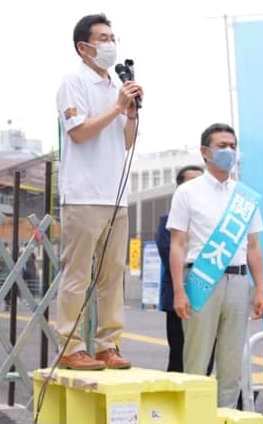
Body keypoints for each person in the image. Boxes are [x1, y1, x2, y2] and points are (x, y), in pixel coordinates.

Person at [55, 14, 143, 370]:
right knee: (77, 274)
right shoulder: (73, 82)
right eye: (103, 38)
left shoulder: (115, 87)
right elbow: (79, 132)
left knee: (113, 275)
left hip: (116, 196)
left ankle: (109, 344)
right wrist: (117, 108)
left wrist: (131, 115)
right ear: (84, 46)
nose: (110, 44)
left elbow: (125, 142)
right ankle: (71, 345)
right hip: (83, 195)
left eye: (112, 37)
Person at [167, 123, 263, 407]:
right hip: (200, 277)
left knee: (232, 361)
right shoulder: (187, 192)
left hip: (238, 282)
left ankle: (225, 415)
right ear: (205, 152)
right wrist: (178, 290)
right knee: (196, 360)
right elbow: (177, 244)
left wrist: (259, 289)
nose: (229, 151)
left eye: (233, 146)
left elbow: (254, 247)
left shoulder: (245, 196)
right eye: (222, 146)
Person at [154, 165, 203, 372]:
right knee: (179, 353)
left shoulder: (211, 222)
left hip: (206, 294)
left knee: (203, 353)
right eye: (190, 182)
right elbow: (171, 254)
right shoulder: (168, 222)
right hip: (178, 296)